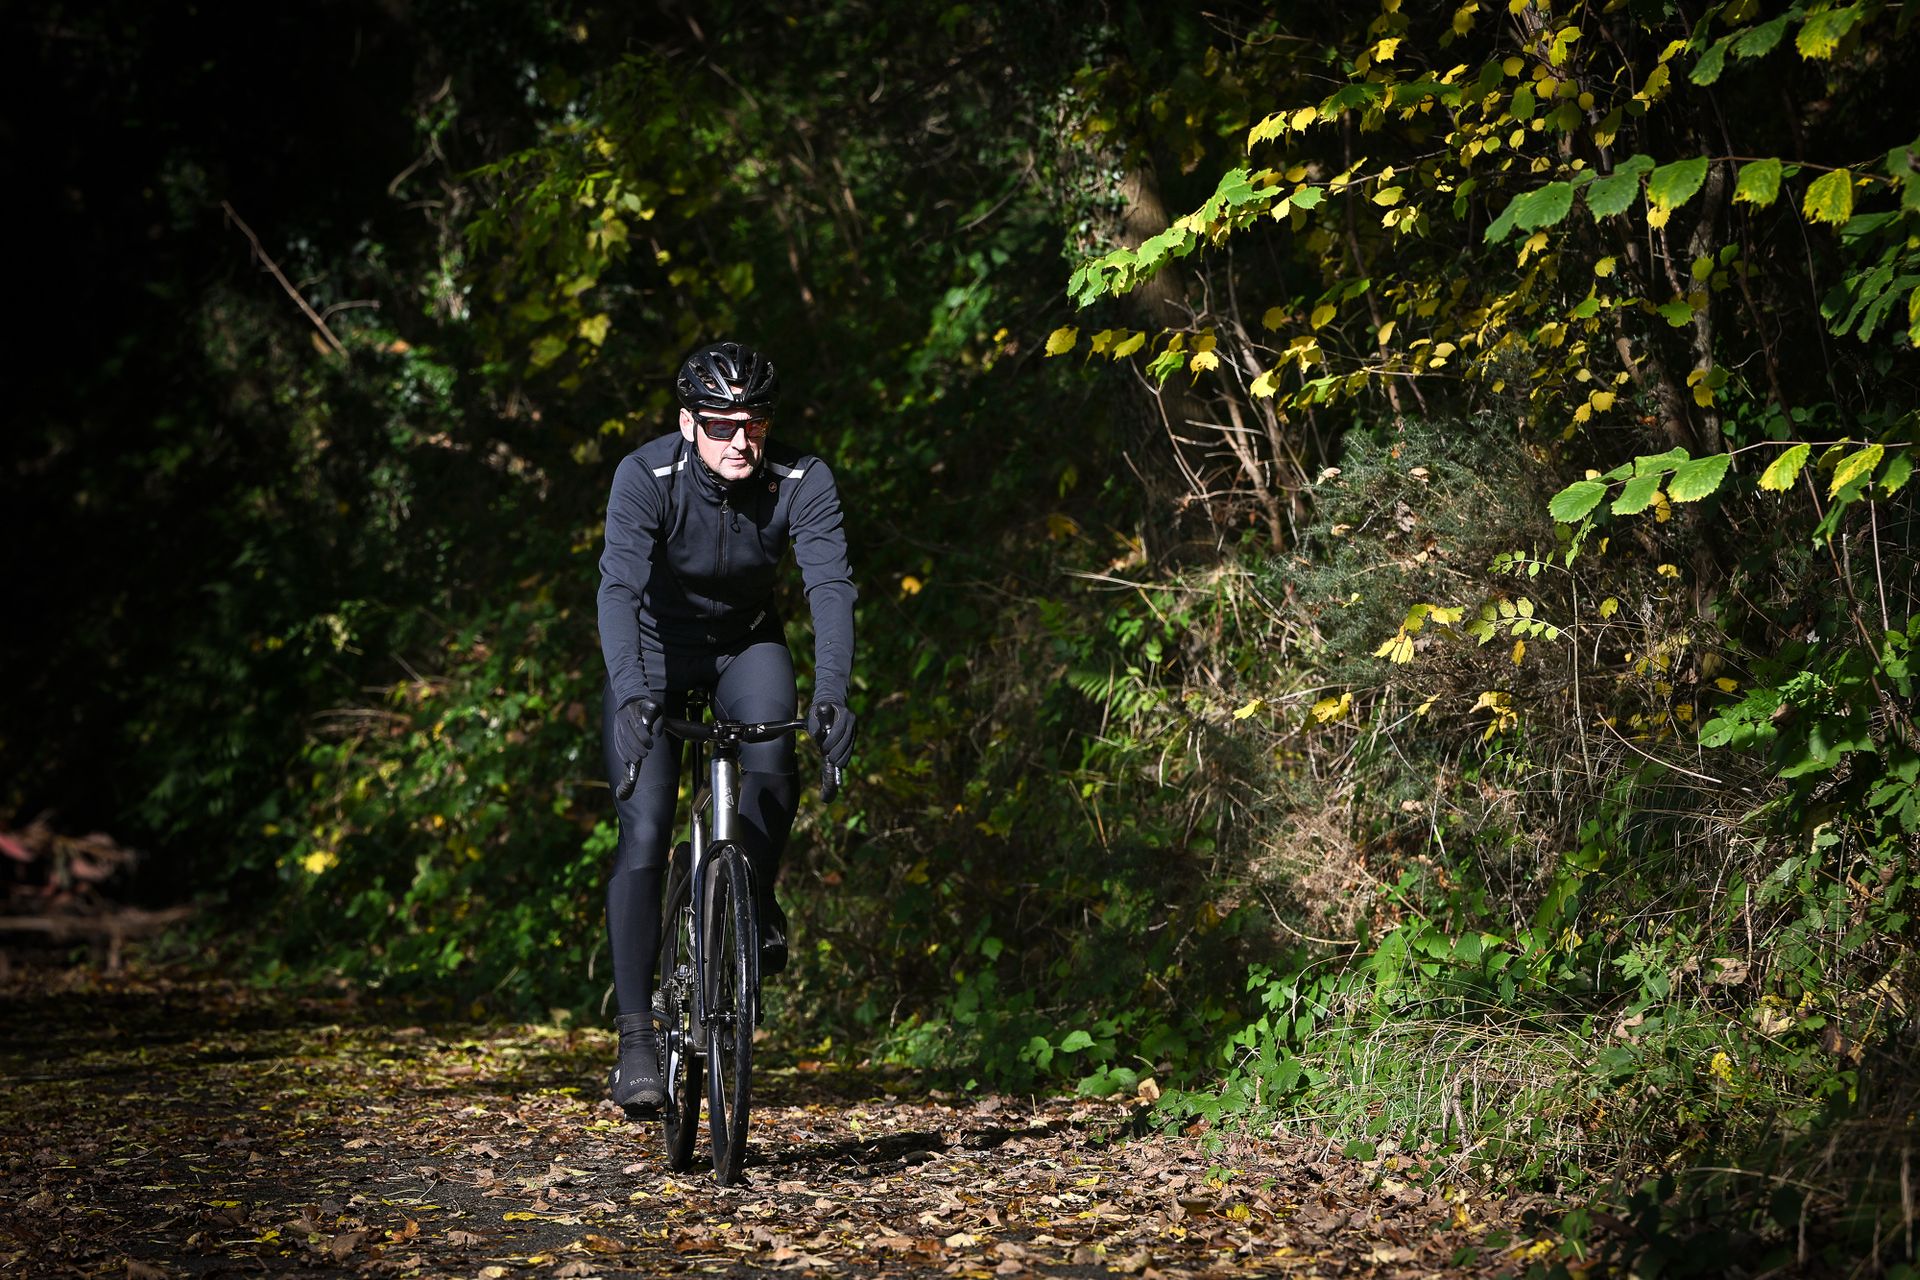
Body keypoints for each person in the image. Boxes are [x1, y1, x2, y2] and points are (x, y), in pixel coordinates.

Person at [596, 340, 857, 1114]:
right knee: (643, 830)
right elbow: (617, 587)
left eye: (755, 423)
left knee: (777, 761)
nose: (740, 439)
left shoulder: (799, 480)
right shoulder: (646, 476)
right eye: (720, 424)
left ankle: (750, 893)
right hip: (652, 647)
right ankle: (638, 1037)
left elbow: (830, 585)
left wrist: (834, 693)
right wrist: (633, 694)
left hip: (747, 641)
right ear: (688, 422)